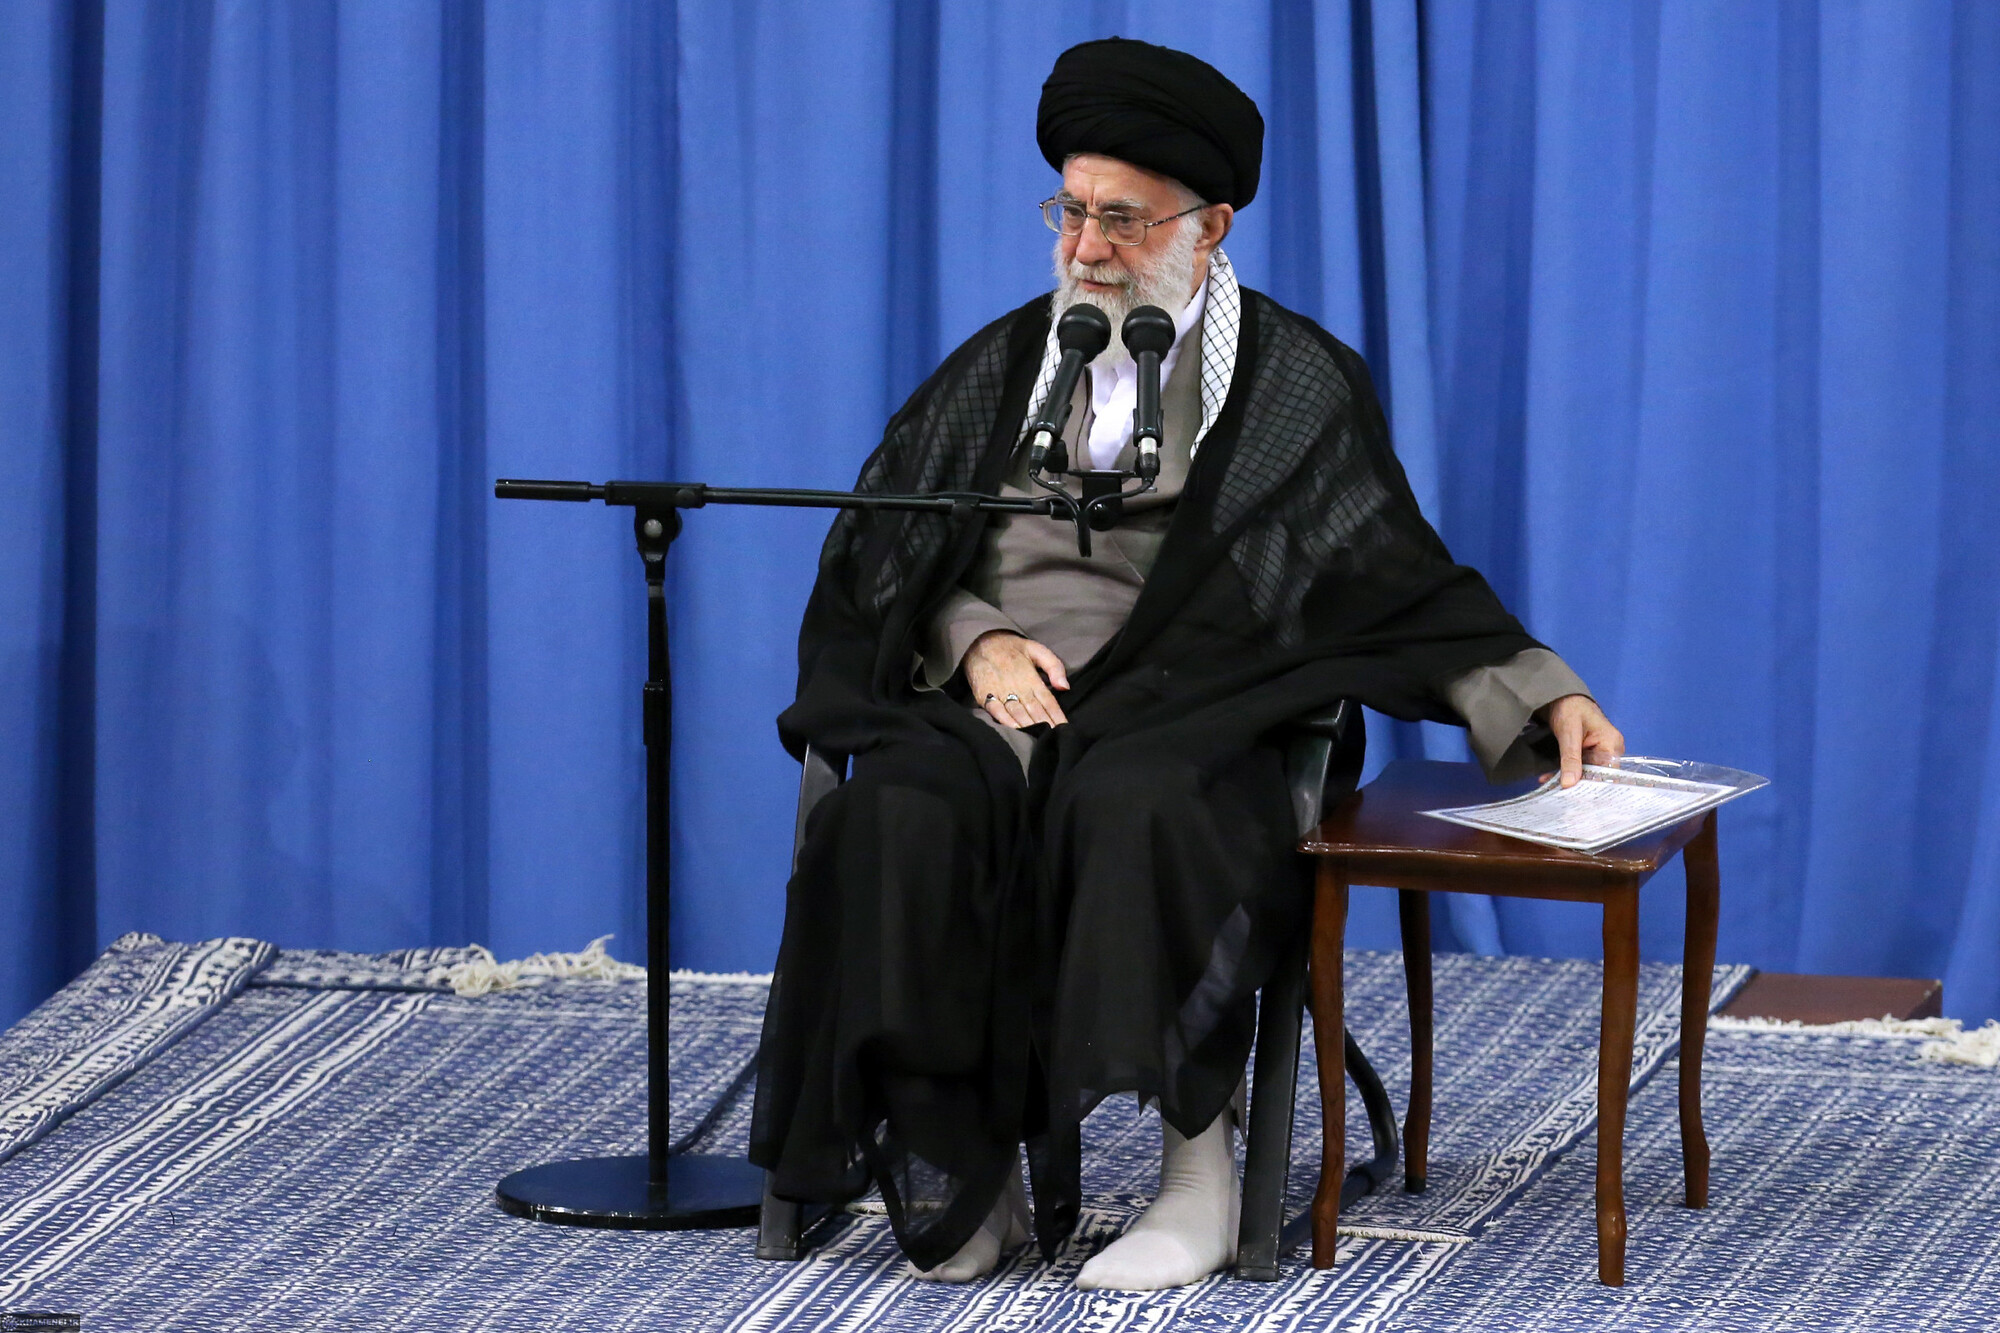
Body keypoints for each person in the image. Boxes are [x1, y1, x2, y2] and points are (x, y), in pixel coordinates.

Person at [749, 36, 1624, 1291]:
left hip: (1193, 702)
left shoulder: (1292, 383)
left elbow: (1390, 576)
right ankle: (967, 1175)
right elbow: (883, 553)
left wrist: (1541, 690)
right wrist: (973, 638)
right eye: (1069, 212)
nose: (1086, 248)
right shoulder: (1003, 362)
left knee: (1142, 804)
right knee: (903, 811)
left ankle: (1196, 1181)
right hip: (987, 703)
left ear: (1207, 228)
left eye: (1121, 219)